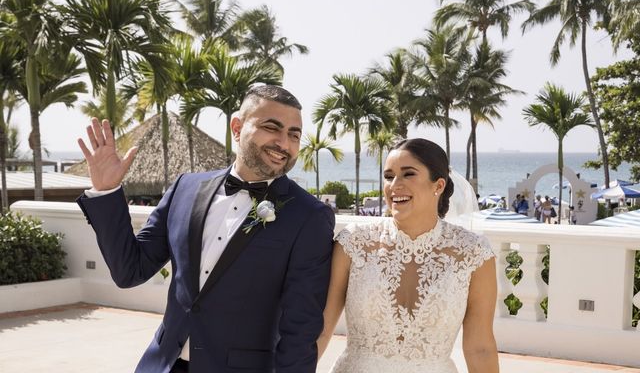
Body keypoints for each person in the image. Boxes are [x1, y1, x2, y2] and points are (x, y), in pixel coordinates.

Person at [76, 85, 335, 373]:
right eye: (271, 127)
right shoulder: (185, 188)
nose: (283, 143)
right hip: (162, 365)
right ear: (237, 128)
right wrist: (106, 191)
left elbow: (300, 329)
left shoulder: (309, 217)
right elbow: (130, 270)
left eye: (294, 135)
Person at [317, 138, 498, 373]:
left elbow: (480, 347)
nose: (394, 185)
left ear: (439, 185)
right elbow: (320, 329)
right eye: (389, 176)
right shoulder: (353, 243)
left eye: (408, 174)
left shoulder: (474, 254)